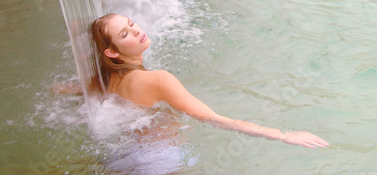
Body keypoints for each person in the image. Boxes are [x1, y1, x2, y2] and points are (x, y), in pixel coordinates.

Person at [90, 13, 329, 149]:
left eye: (131, 24)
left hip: (125, 155)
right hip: (158, 162)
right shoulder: (158, 80)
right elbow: (212, 119)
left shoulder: (104, 79)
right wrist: (281, 135)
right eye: (124, 34)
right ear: (112, 52)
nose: (136, 31)